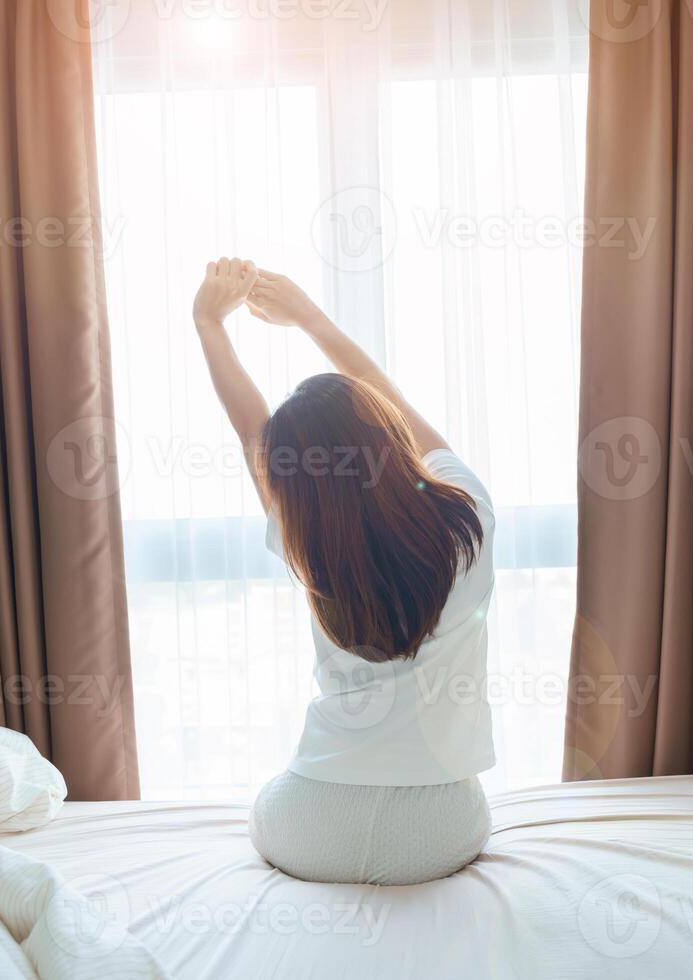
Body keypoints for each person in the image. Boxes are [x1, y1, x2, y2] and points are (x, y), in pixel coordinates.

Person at [191, 257, 495, 886]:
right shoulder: (469, 517)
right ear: (387, 436)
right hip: (438, 828)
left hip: (310, 824)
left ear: (290, 481)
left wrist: (209, 324)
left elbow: (251, 432)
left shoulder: (306, 540)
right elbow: (393, 400)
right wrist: (308, 317)